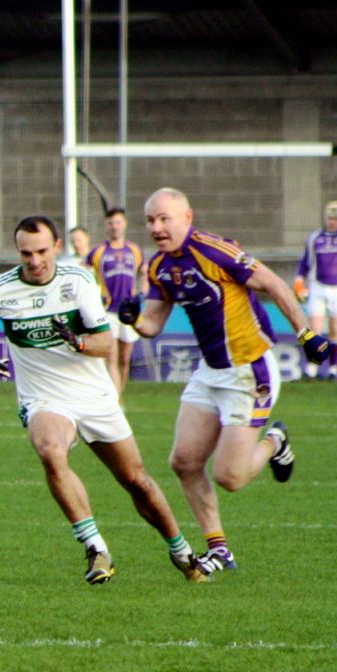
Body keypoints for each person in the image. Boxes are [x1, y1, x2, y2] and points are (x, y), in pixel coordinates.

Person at [0, 215, 218, 584]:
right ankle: (96, 547)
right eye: (25, 254)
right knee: (51, 449)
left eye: (41, 252)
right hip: (44, 398)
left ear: (57, 248)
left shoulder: (78, 281)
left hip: (93, 396)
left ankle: (181, 553)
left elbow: (104, 344)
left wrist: (76, 340)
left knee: (137, 482)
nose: (34, 262)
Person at [116, 188, 332, 571]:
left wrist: (306, 334)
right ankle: (219, 548)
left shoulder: (215, 251)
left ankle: (274, 441)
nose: (156, 227)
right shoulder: (159, 267)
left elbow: (272, 283)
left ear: (187, 217)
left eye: (165, 218)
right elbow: (153, 323)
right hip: (210, 371)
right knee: (183, 461)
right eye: (150, 220)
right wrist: (133, 318)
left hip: (250, 370)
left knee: (229, 476)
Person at [85, 208, 145, 394]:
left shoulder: (134, 250)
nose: (114, 227)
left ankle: (119, 394)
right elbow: (84, 271)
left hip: (128, 312)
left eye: (118, 222)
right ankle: (115, 400)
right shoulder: (99, 251)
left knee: (124, 360)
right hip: (108, 310)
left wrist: (142, 291)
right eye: (111, 223)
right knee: (111, 357)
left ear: (124, 224)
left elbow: (145, 272)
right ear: (106, 226)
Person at [292, 200, 337, 380]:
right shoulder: (315, 237)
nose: (332, 222)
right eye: (330, 218)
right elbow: (305, 261)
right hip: (318, 286)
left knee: (335, 329)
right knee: (314, 329)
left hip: (336, 288)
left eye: (335, 219)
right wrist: (298, 280)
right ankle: (311, 368)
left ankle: (334, 369)